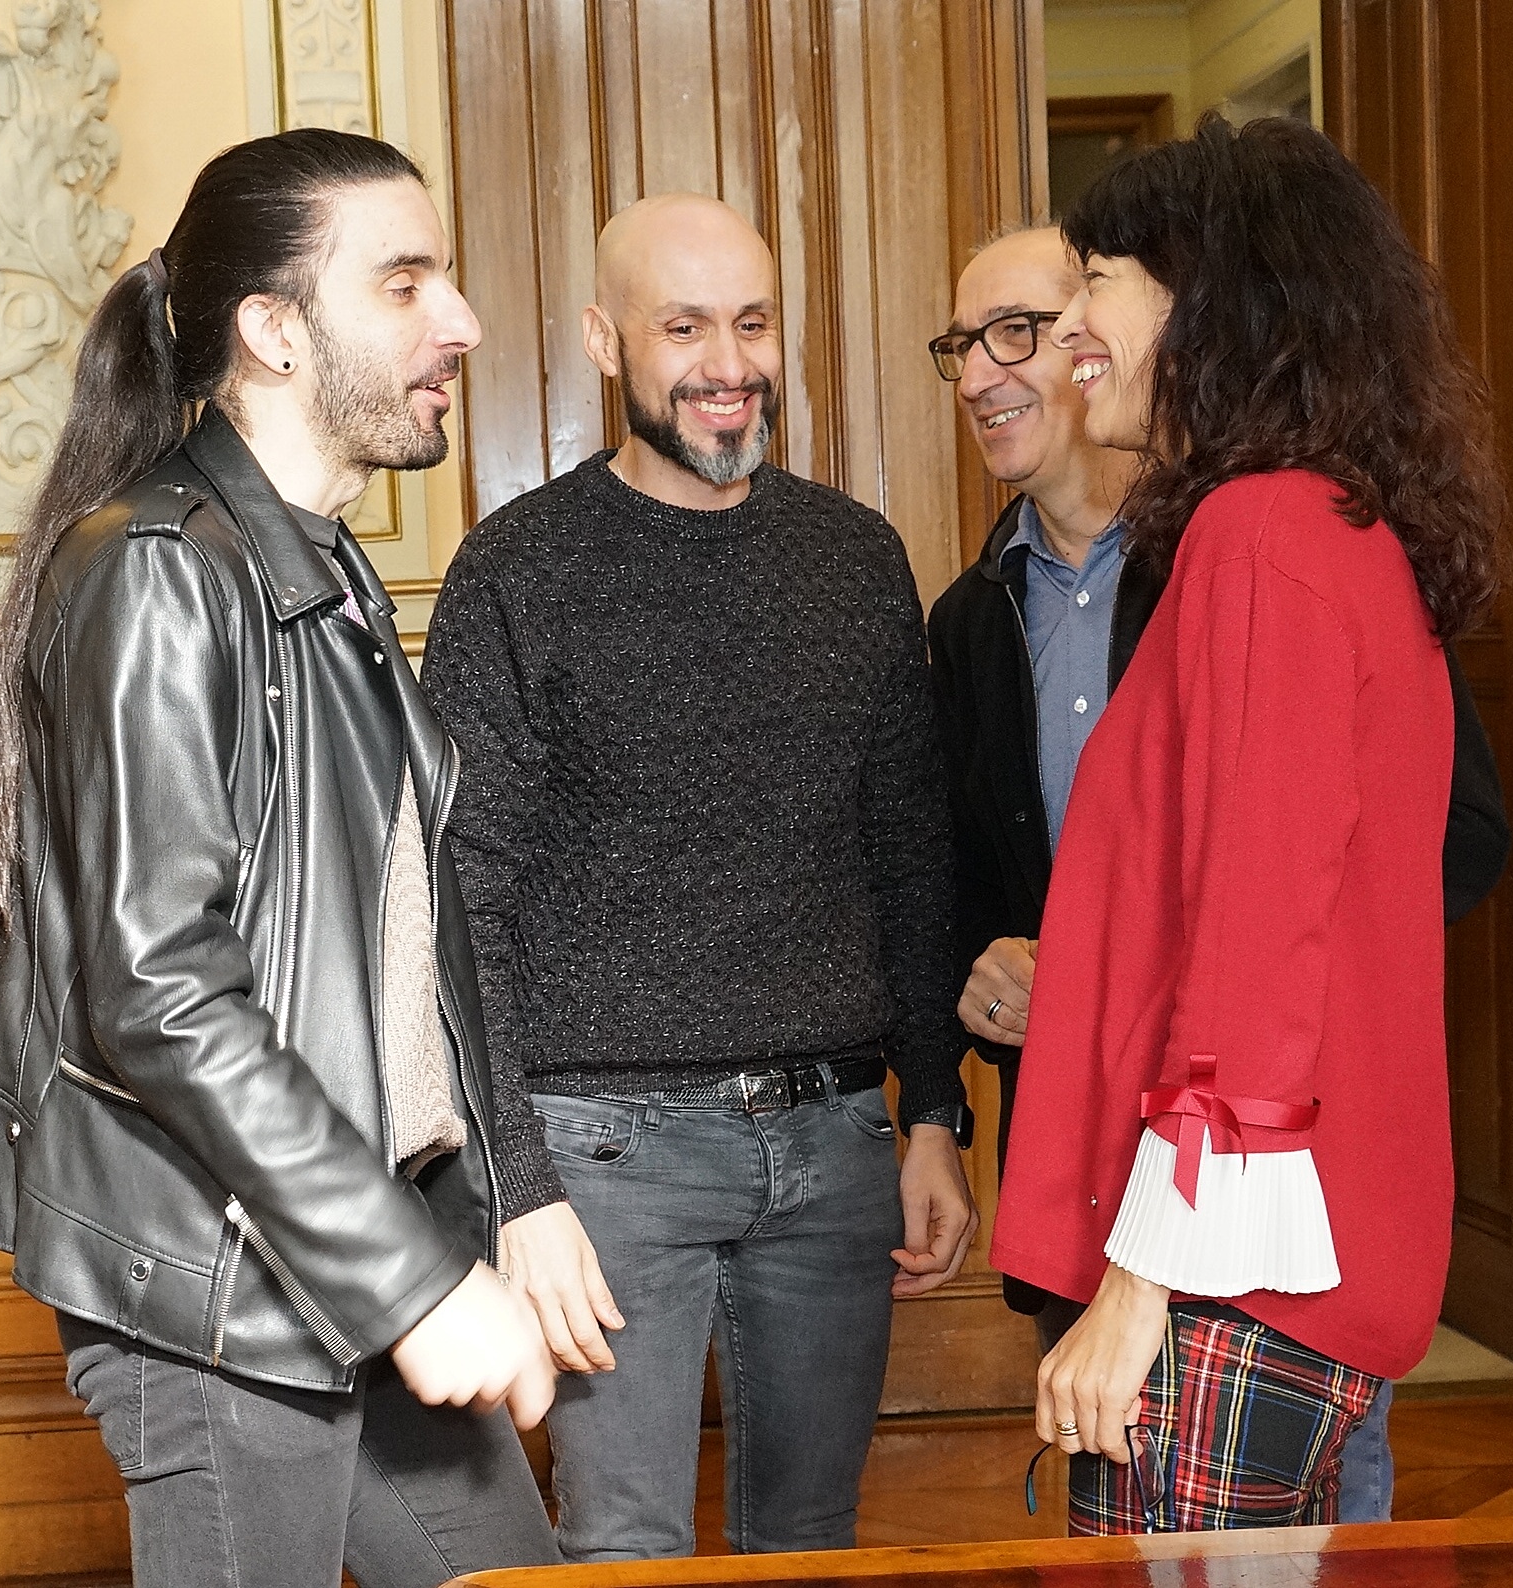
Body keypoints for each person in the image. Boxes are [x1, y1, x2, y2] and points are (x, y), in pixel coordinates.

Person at [0, 129, 558, 1588]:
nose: (460, 321)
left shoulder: (318, 563)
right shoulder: (157, 566)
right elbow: (158, 989)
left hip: (344, 1252)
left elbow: (401, 957)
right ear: (274, 330)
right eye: (405, 282)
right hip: (218, 1291)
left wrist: (495, 1217)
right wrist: (412, 1283)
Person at [422, 191, 979, 1562]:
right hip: (605, 1159)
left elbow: (908, 851)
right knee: (623, 1551)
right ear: (605, 341)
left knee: (811, 1542)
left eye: (753, 322)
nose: (728, 363)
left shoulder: (855, 559)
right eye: (683, 328)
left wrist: (931, 1113)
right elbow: (461, 896)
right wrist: (519, 1182)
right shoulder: (516, 570)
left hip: (836, 1142)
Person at [924, 226, 1511, 1522]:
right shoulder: (1315, 519)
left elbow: (1256, 940)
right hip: (1234, 1230)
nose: (1071, 330)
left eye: (1093, 289)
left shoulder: (1257, 534)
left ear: (1207, 308)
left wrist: (1141, 1281)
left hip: (1223, 1258)